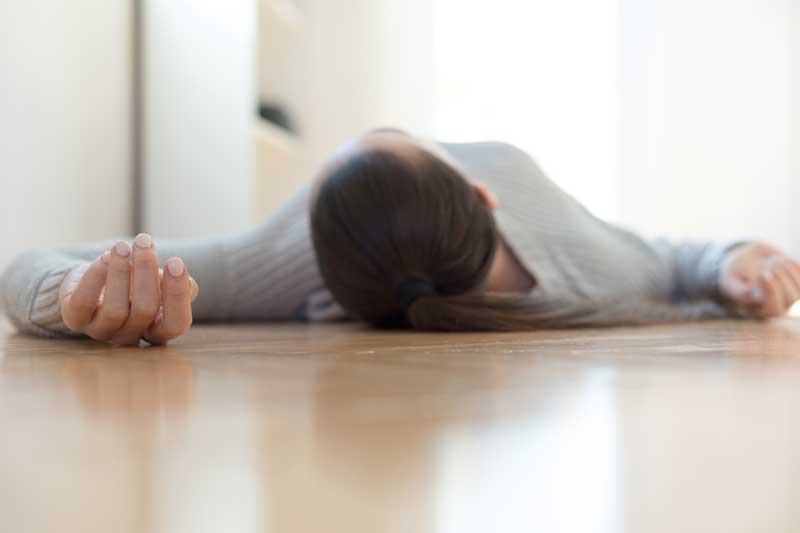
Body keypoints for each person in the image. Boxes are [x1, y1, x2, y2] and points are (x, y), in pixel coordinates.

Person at [1, 129, 798, 345]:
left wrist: (66, 293)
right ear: (481, 194)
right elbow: (672, 262)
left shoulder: (300, 257)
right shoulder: (589, 266)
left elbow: (25, 268)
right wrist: (728, 263)